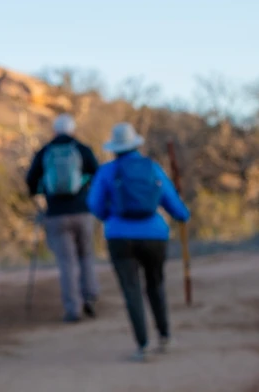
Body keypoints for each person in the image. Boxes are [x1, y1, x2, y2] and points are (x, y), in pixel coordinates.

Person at [86, 122, 191, 362]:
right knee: (155, 284)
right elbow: (171, 200)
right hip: (154, 234)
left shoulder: (107, 171)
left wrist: (109, 218)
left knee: (131, 289)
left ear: (114, 147)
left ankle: (142, 344)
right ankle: (164, 336)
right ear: (135, 144)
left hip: (119, 237)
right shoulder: (152, 168)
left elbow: (94, 205)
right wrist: (182, 215)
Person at [25, 113, 100, 322]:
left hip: (56, 214)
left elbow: (31, 180)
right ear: (73, 129)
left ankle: (72, 309)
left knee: (66, 262)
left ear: (54, 130)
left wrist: (41, 193)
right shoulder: (82, 150)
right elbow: (97, 174)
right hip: (82, 211)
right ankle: (90, 297)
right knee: (86, 255)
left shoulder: (45, 151)